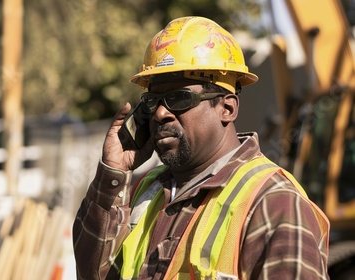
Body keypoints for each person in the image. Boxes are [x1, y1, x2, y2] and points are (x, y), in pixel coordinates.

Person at [72, 16, 330, 280]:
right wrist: (112, 174)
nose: (160, 113)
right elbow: (91, 274)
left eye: (180, 98)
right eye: (152, 101)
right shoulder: (144, 191)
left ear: (227, 108)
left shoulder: (272, 201)